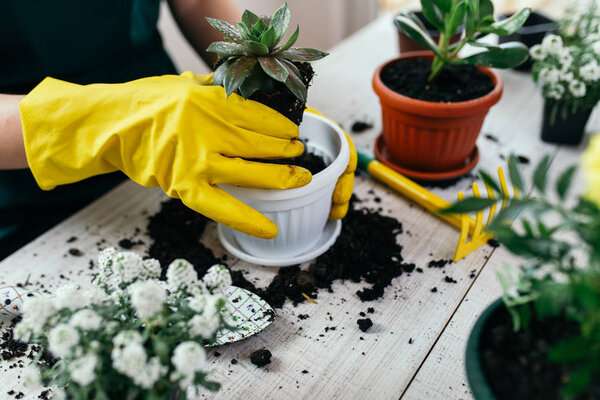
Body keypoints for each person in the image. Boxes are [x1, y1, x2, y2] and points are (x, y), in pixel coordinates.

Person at [0, 0, 355, 261]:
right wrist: (105, 121)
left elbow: (194, 3)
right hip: (30, 204)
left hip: (182, 146)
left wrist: (261, 85)